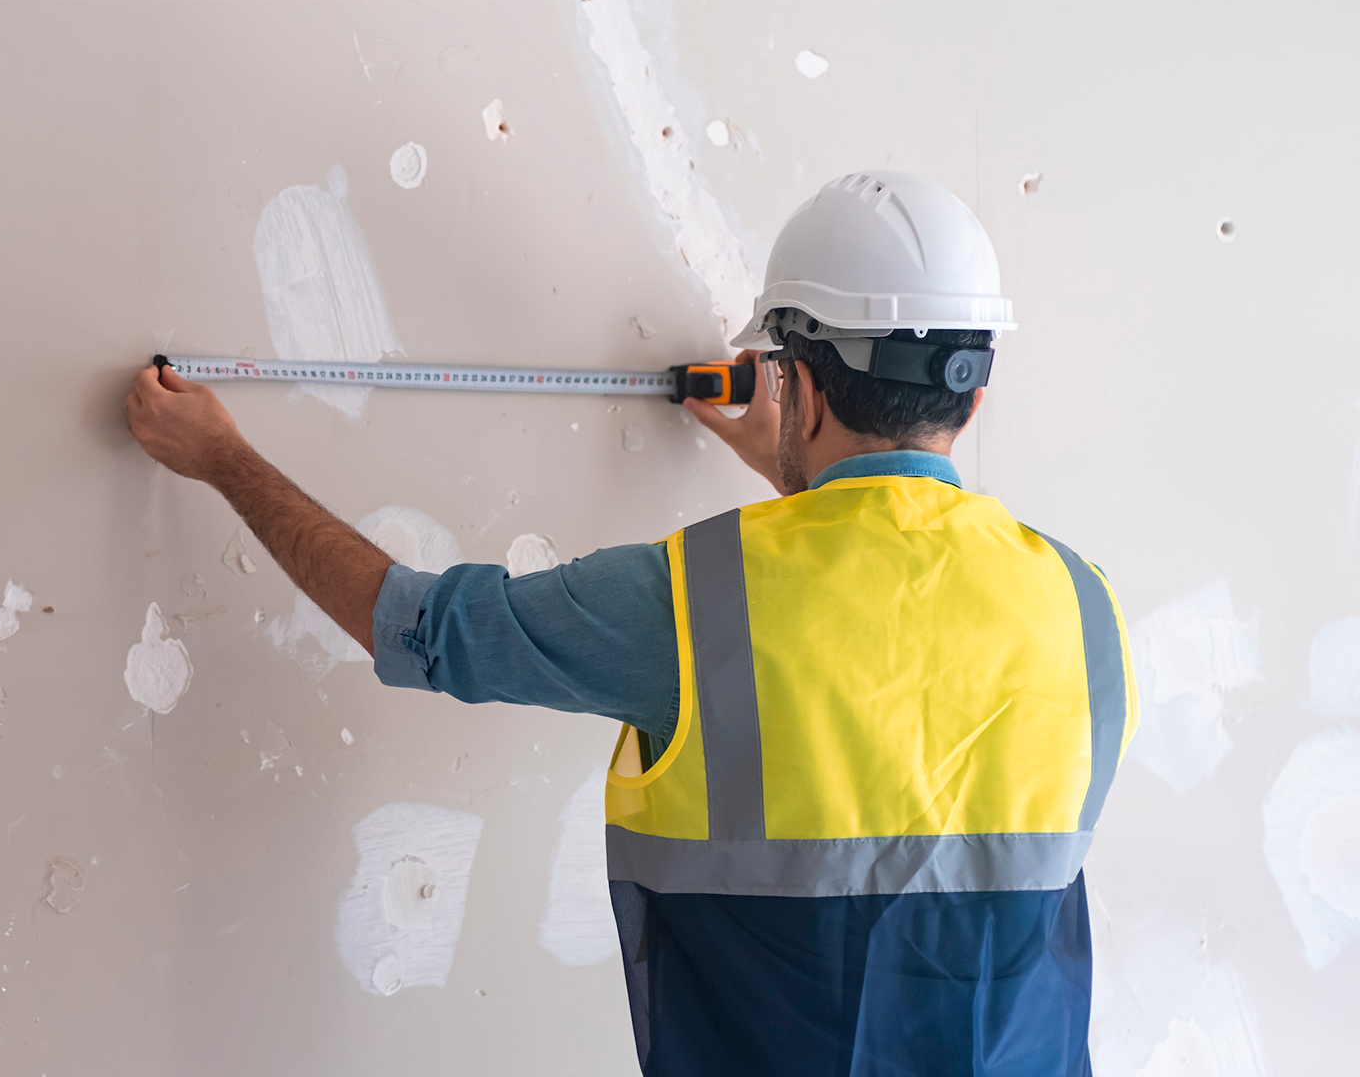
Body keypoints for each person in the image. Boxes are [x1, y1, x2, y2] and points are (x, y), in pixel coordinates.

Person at [124, 171, 1136, 1077]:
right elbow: (898, 613)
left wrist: (224, 461)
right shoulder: (1084, 608)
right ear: (975, 386)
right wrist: (796, 463)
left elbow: (423, 629)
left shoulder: (697, 601)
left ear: (806, 385)